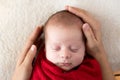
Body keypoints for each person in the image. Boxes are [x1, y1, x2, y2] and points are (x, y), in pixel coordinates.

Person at [12, 6, 115, 80]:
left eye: (74, 49)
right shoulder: (38, 69)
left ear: (85, 49)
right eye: (56, 48)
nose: (65, 55)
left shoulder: (91, 69)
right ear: (44, 49)